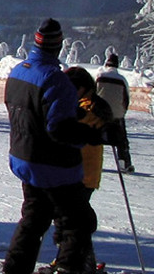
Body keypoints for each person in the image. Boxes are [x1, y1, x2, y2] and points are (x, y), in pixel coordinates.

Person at [2, 18, 104, 274]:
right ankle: (68, 268)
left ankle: (15, 270)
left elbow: (32, 111)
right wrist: (93, 133)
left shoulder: (18, 71)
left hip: (25, 156)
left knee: (33, 220)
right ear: (58, 46)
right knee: (77, 223)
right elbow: (59, 129)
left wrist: (73, 114)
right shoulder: (56, 79)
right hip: (54, 164)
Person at [57, 67, 114, 272]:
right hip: (80, 170)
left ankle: (77, 260)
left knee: (72, 219)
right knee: (71, 219)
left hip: (82, 172)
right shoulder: (86, 103)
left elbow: (75, 124)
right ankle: (75, 258)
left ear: (82, 88)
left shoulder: (89, 107)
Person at [96, 54, 133, 173]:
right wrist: (122, 113)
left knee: (93, 135)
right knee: (122, 139)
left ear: (106, 64)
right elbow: (126, 99)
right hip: (116, 114)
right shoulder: (122, 80)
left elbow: (93, 93)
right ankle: (124, 163)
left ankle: (90, 160)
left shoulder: (99, 77)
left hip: (99, 114)